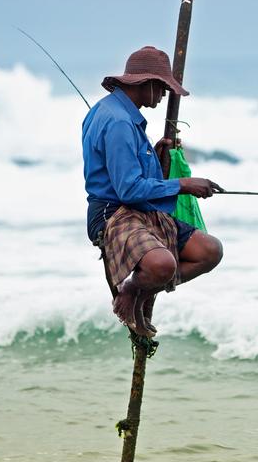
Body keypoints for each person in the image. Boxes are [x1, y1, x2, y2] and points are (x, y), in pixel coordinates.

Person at [82, 45, 223, 338]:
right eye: (161, 88)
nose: (162, 96)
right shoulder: (120, 122)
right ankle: (132, 290)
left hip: (139, 209)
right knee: (162, 265)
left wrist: (155, 157)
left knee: (209, 251)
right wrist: (184, 184)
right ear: (145, 84)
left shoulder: (116, 112)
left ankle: (146, 291)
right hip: (115, 213)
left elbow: (128, 171)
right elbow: (128, 189)